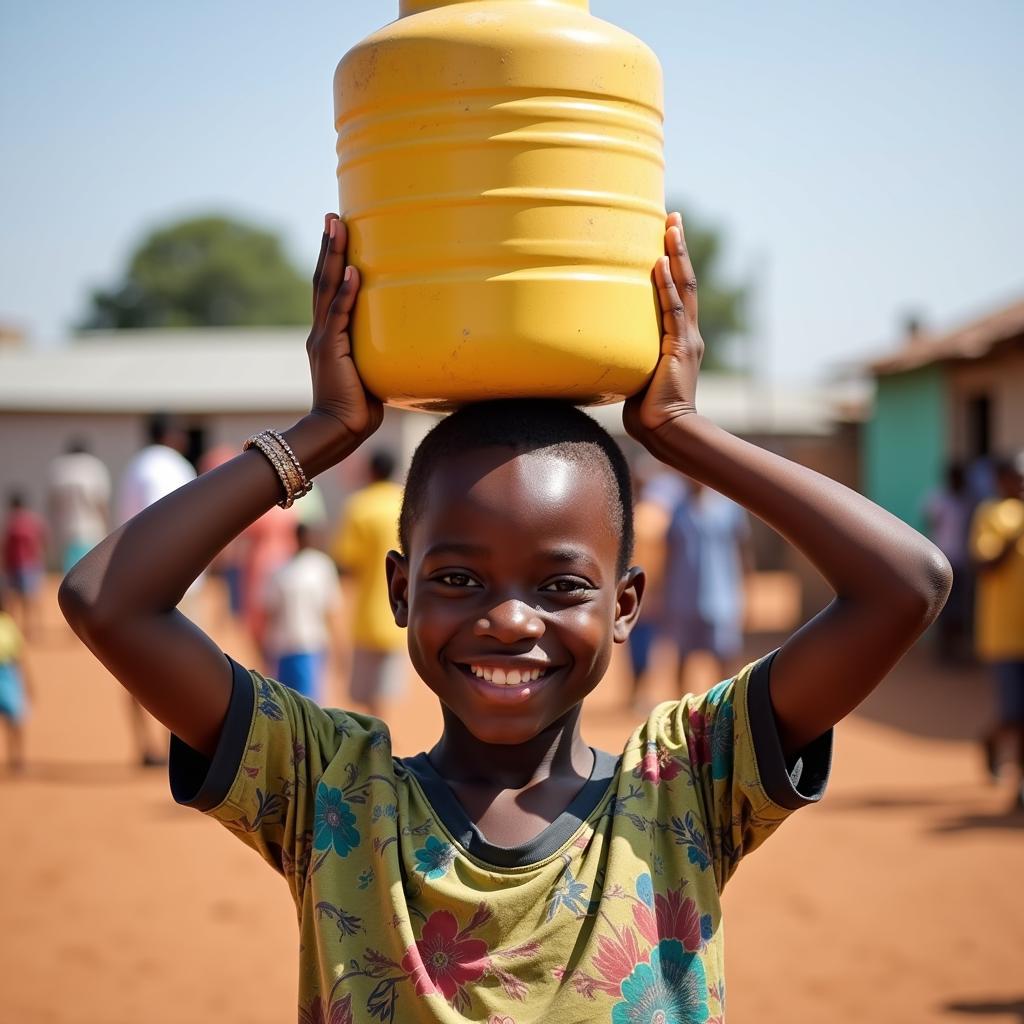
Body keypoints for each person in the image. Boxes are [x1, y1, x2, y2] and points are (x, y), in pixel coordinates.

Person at [59, 212, 951, 1019]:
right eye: (459, 580)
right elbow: (107, 600)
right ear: (400, 590)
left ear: (625, 605)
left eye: (562, 587)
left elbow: (907, 584)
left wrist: (680, 429)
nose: (510, 620)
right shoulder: (329, 794)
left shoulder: (686, 786)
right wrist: (322, 433)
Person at [116, 413, 198, 767]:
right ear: (171, 435)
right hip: (175, 583)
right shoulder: (172, 468)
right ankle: (175, 746)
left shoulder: (134, 468)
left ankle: (145, 746)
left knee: (134, 669)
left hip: (130, 580)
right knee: (181, 669)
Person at [331, 449, 406, 715]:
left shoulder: (359, 506)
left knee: (363, 694)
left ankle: (378, 739)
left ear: (371, 472)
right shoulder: (405, 503)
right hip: (403, 610)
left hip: (367, 613)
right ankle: (385, 735)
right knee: (386, 692)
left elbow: (347, 560)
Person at [663, 477, 755, 692]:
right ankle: (682, 710)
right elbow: (670, 554)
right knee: (683, 655)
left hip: (722, 598)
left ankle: (727, 709)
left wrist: (749, 593)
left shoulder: (730, 509)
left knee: (725, 656)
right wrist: (664, 594)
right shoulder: (678, 509)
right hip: (684, 598)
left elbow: (744, 552)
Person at [970, 456, 1024, 810]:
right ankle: (991, 739)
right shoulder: (992, 514)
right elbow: (987, 565)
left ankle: (1019, 786)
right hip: (1003, 634)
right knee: (1013, 714)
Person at [263, 522, 343, 704]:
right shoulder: (280, 569)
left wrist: (339, 648)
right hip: (283, 647)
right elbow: (270, 612)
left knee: (309, 704)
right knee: (285, 705)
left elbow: (331, 611)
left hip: (310, 645)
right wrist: (266, 648)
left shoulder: (321, 566)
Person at [923, 462, 974, 660]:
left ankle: (958, 651)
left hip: (963, 561)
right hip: (943, 562)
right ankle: (944, 651)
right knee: (943, 607)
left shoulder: (968, 501)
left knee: (960, 609)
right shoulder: (938, 498)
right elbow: (930, 523)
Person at [47, 439, 112, 575]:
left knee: (70, 576)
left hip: (66, 530)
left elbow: (53, 505)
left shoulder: (59, 469)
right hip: (91, 530)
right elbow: (102, 504)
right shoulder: (94, 467)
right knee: (92, 575)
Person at [2, 492, 47, 638]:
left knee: (19, 600)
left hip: (20, 566)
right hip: (28, 565)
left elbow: (5, 546)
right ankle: (31, 630)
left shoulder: (12, 523)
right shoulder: (31, 521)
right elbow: (42, 539)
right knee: (29, 600)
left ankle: (24, 630)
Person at [0, 590, 33, 774]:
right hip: (8, 676)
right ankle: (17, 759)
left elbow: (19, 658)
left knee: (15, 720)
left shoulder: (8, 625)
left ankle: (17, 759)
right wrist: (28, 684)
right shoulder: (9, 625)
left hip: (7, 676)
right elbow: (20, 659)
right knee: (15, 721)